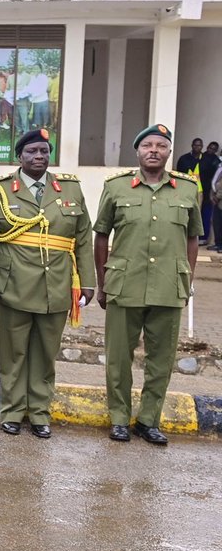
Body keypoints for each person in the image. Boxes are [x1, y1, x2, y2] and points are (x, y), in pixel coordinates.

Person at [0, 128, 94, 438]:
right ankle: (13, 412)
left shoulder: (69, 190)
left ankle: (41, 413)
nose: (39, 157)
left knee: (45, 354)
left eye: (44, 151)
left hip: (56, 284)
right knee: (13, 353)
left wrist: (87, 282)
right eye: (32, 151)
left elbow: (83, 237)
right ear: (20, 156)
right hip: (12, 284)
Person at [94, 124, 200, 445]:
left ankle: (149, 420)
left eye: (161, 146)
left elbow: (193, 237)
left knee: (162, 359)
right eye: (147, 145)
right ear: (137, 152)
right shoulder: (116, 187)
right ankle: (119, 419)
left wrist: (188, 280)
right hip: (125, 284)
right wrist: (102, 283)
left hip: (169, 285)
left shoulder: (187, 189)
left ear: (169, 152)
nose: (154, 150)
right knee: (118, 357)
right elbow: (101, 236)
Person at [203, 141, 221, 247]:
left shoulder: (216, 161)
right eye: (210, 148)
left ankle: (217, 243)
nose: (211, 150)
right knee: (216, 221)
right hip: (208, 192)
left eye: (214, 149)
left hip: (216, 198)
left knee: (216, 221)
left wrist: (216, 197)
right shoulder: (202, 158)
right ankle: (216, 243)